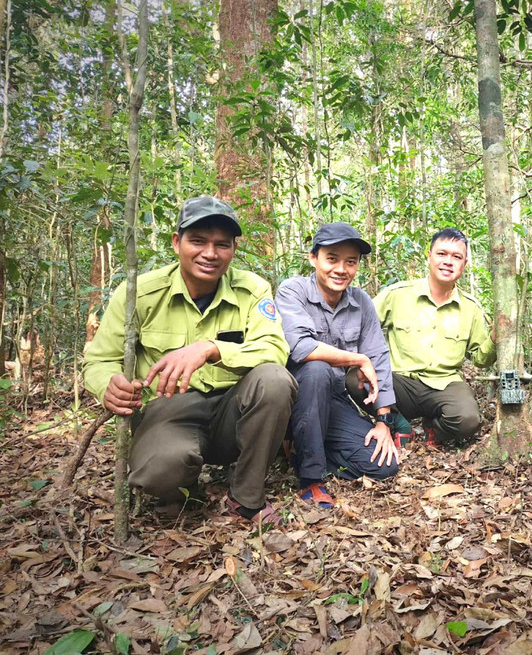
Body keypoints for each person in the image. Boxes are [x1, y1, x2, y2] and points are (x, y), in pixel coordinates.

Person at [83, 196, 297, 526]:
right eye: (197, 241)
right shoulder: (139, 293)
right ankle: (183, 486)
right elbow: (99, 361)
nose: (210, 254)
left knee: (275, 380)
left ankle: (246, 497)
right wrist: (108, 386)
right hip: (168, 410)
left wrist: (210, 349)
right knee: (158, 472)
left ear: (233, 249)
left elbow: (273, 348)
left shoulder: (251, 289)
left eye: (221, 245)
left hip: (231, 409)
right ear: (176, 242)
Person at [276, 223, 399, 508]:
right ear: (313, 258)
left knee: (384, 466)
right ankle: (311, 479)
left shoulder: (361, 302)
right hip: (294, 398)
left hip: (333, 399)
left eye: (350, 262)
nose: (341, 269)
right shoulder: (292, 291)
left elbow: (377, 355)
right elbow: (301, 347)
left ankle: (302, 452)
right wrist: (358, 359)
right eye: (332, 258)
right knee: (317, 369)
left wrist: (383, 421)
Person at [369, 228, 496, 447]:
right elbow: (363, 327)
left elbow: (480, 359)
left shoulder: (471, 308)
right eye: (442, 254)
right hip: (399, 383)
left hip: (444, 384)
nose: (448, 261)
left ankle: (433, 430)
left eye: (456, 257)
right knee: (355, 376)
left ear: (464, 264)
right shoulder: (398, 294)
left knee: (468, 419)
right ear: (429, 256)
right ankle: (398, 424)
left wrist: (495, 338)